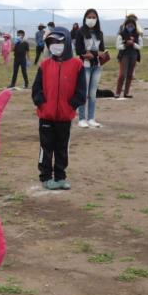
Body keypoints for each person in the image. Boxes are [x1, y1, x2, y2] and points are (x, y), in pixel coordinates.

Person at [32, 27, 86, 190]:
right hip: (46, 116)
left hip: (65, 116)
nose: (55, 45)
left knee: (62, 148)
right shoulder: (45, 65)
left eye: (59, 41)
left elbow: (81, 92)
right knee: (46, 147)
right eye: (52, 42)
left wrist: (70, 105)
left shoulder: (77, 65)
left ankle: (60, 176)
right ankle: (46, 176)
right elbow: (37, 89)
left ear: (67, 42)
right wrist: (42, 103)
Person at [74, 9, 106, 128]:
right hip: (85, 66)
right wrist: (88, 54)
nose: (91, 19)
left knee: (93, 93)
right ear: (85, 18)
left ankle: (91, 118)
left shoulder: (100, 33)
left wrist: (98, 54)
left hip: (96, 66)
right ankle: (82, 118)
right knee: (84, 92)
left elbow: (102, 48)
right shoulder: (80, 32)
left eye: (94, 17)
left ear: (97, 19)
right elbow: (78, 50)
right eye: (89, 17)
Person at [114, 17, 141, 98]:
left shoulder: (137, 35)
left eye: (132, 26)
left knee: (130, 75)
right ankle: (118, 92)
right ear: (125, 26)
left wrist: (133, 44)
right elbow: (118, 46)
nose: (130, 27)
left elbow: (140, 46)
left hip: (134, 55)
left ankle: (126, 93)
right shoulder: (121, 34)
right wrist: (126, 45)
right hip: (124, 55)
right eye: (128, 25)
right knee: (122, 75)